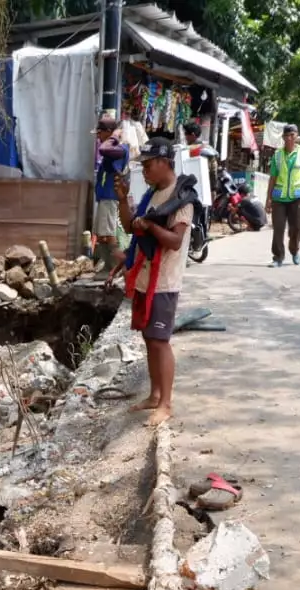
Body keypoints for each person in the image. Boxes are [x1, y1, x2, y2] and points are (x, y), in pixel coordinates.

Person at [120, 137, 196, 427]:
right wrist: (122, 198)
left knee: (160, 341)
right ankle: (154, 395)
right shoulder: (153, 195)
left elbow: (175, 241)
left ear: (165, 162)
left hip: (164, 281)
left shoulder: (182, 198)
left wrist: (150, 226)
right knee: (149, 338)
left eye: (149, 165)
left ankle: (165, 403)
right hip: (144, 279)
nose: (146, 171)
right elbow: (130, 226)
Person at [266, 124, 300, 267]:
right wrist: (268, 198)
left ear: (296, 136)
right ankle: (278, 257)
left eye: (292, 135)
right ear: (283, 138)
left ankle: (294, 250)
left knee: (296, 227)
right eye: (286, 136)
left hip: (297, 197)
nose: (289, 139)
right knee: (278, 228)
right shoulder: (278, 155)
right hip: (279, 197)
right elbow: (272, 178)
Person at [94, 116, 131, 273]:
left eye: (100, 132)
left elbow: (104, 148)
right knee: (102, 234)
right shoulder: (114, 151)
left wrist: (114, 136)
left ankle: (116, 266)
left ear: (109, 132)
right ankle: (108, 265)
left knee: (108, 234)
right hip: (105, 197)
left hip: (110, 197)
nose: (98, 136)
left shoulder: (120, 149)